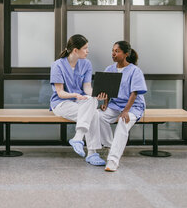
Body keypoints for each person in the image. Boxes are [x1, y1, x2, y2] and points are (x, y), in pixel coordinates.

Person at [50, 34, 107, 166]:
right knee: (95, 113)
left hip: (81, 101)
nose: (88, 51)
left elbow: (87, 88)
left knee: (92, 101)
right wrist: (75, 95)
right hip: (61, 103)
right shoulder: (57, 65)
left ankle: (77, 138)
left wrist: (97, 95)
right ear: (75, 50)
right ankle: (92, 153)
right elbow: (60, 92)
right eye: (85, 48)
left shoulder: (86, 64)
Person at [99, 41, 147, 172]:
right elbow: (107, 91)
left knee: (122, 121)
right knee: (98, 116)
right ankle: (110, 146)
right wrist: (105, 104)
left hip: (133, 106)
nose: (113, 54)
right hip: (115, 105)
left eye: (117, 51)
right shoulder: (109, 69)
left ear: (126, 54)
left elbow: (134, 93)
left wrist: (126, 111)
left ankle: (113, 160)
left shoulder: (135, 71)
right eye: (113, 51)